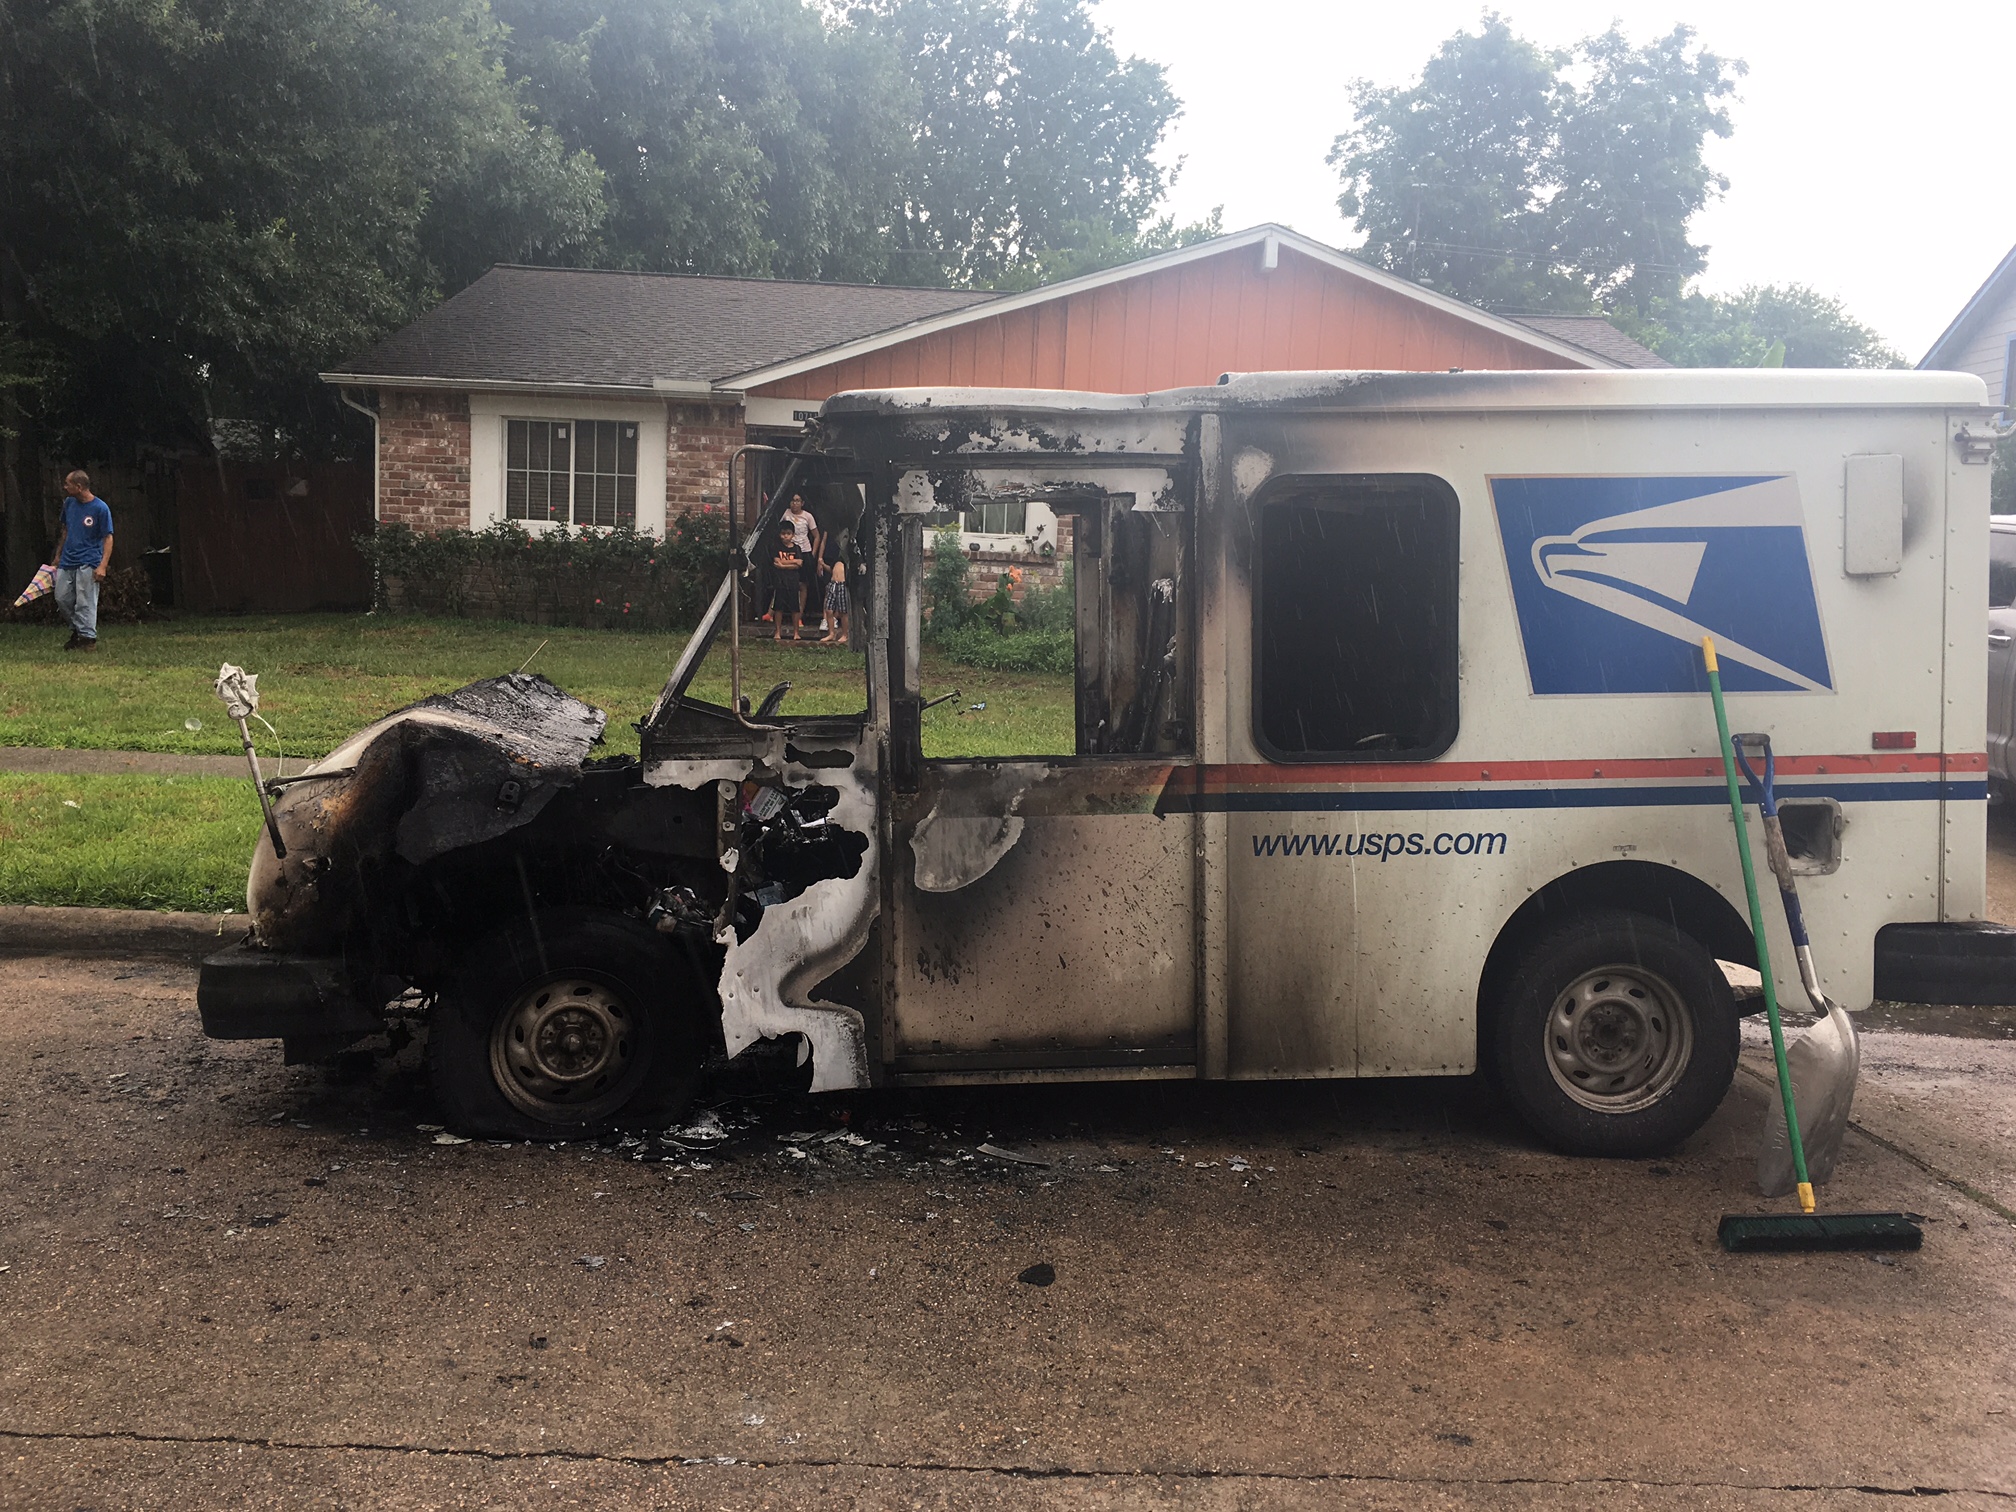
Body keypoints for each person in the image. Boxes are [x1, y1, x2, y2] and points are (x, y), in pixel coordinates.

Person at [52, 469, 114, 651]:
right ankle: (79, 631)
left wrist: (103, 565)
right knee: (62, 598)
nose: (64, 487)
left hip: (89, 560)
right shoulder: (69, 503)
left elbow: (108, 538)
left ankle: (88, 639)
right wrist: (57, 555)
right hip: (67, 559)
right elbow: (65, 530)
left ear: (78, 487)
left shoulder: (100, 508)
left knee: (85, 600)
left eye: (67, 484)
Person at [783, 493, 819, 636]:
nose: (795, 503)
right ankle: (781, 612)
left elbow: (816, 536)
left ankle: (799, 615)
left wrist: (812, 554)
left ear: (802, 503)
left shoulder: (808, 516)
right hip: (788, 551)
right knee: (787, 583)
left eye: (797, 501)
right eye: (792, 500)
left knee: (802, 584)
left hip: (804, 552)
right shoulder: (785, 514)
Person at [768, 523, 803, 643]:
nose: (785, 536)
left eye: (788, 534)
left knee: (795, 608)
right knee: (778, 607)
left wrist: (784, 564)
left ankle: (796, 633)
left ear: (792, 535)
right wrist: (791, 563)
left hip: (793, 581)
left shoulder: (797, 548)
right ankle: (777, 631)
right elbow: (776, 563)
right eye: (783, 534)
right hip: (780, 581)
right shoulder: (776, 547)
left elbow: (799, 563)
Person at [817, 555, 850, 647]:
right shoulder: (837, 558)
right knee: (828, 609)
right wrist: (823, 564)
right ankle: (831, 633)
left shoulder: (849, 558)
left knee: (843, 611)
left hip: (842, 584)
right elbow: (831, 570)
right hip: (832, 583)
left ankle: (845, 634)